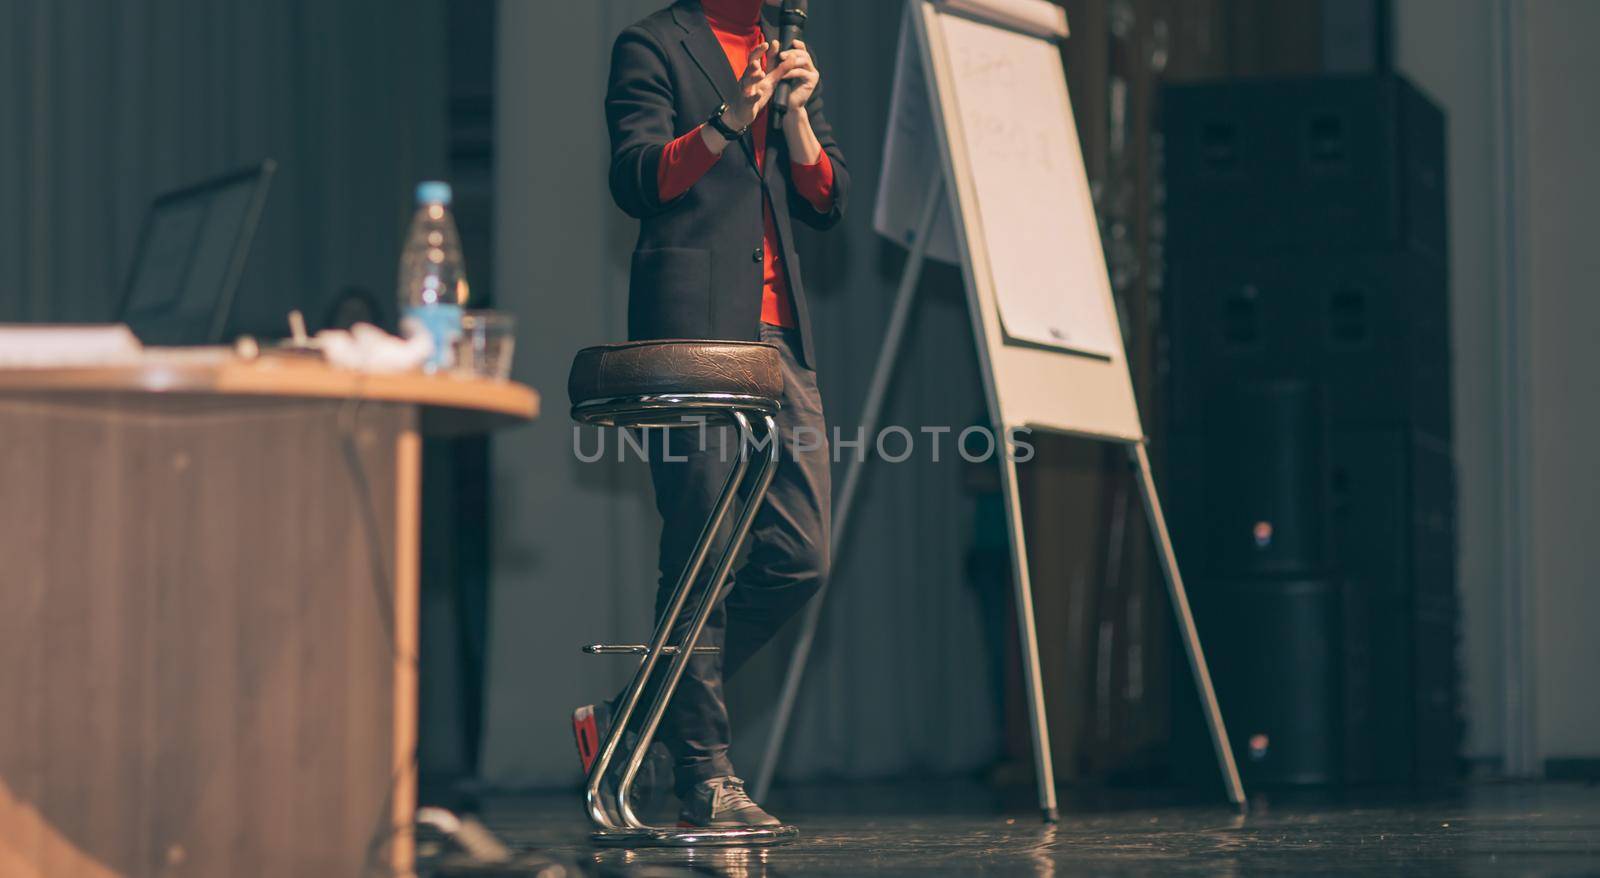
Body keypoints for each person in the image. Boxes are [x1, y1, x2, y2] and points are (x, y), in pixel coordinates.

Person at [572, 0, 848, 830]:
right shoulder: (652, 44)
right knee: (704, 549)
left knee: (802, 556)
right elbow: (636, 177)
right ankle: (706, 773)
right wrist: (729, 119)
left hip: (779, 336)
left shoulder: (783, 45)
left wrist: (796, 118)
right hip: (694, 328)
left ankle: (630, 719)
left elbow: (826, 198)